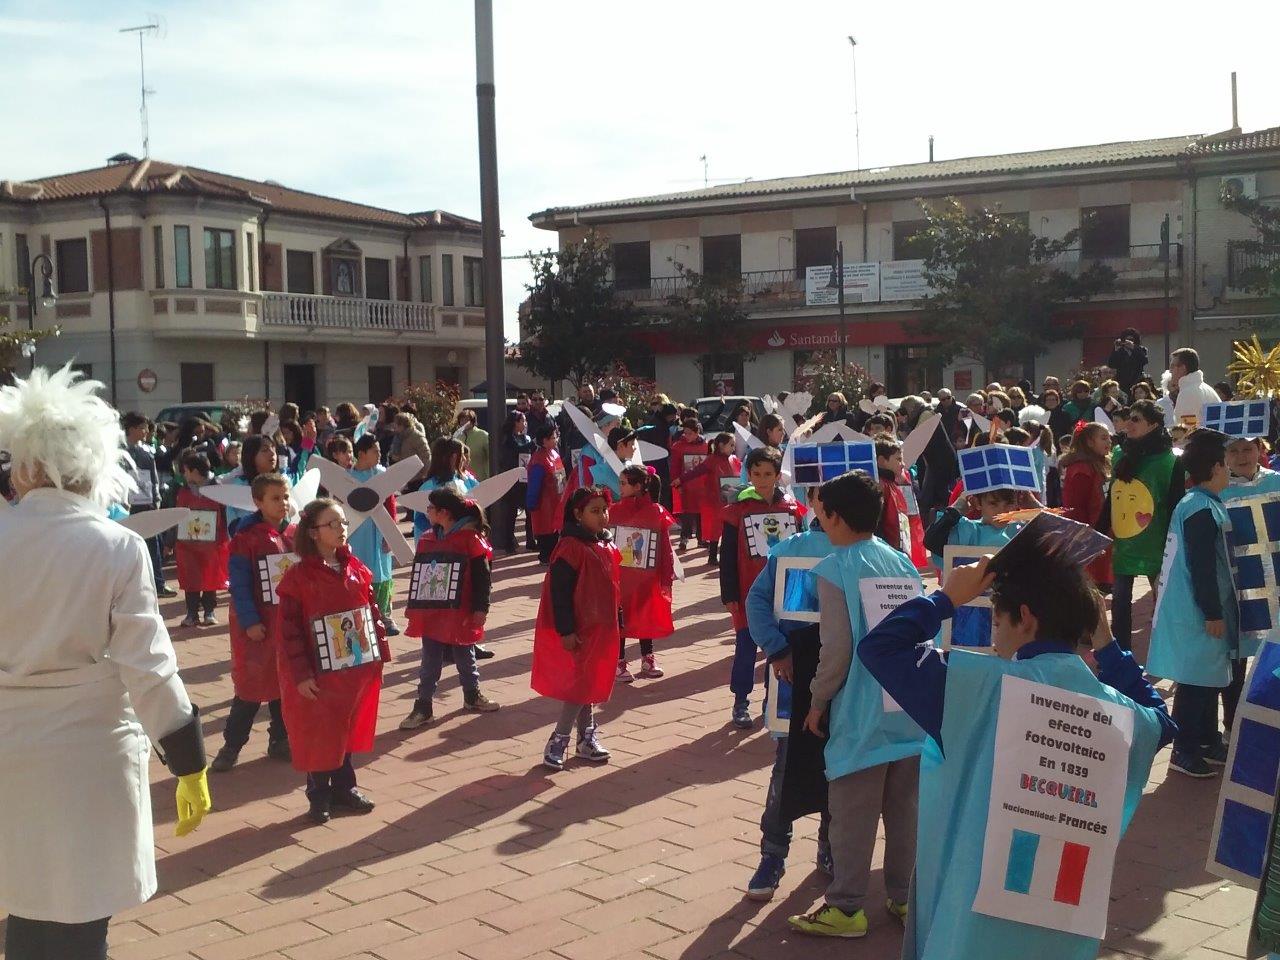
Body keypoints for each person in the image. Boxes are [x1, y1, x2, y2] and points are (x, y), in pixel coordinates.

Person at [857, 537, 1173, 960]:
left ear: (1024, 618)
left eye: (996, 621)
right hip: (1060, 917)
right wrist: (1107, 642)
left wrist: (947, 596)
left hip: (971, 922)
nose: (994, 635)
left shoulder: (980, 687)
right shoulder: (1116, 713)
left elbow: (880, 647)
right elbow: (1163, 723)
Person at [0, 366, 210, 960]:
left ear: (24, 464)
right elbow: (148, 666)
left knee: (24, 903)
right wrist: (189, 759)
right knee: (84, 917)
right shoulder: (116, 547)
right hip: (90, 756)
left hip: (9, 747)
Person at [788, 470, 924, 937]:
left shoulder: (835, 568)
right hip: (907, 706)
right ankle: (906, 899)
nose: (818, 518)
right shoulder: (901, 563)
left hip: (862, 710)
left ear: (836, 517)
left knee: (851, 810)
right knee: (906, 810)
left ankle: (846, 906)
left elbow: (837, 648)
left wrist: (818, 700)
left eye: (821, 511)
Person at [743, 486, 833, 901]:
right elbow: (757, 601)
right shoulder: (791, 549)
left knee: (840, 769)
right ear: (813, 499)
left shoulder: (874, 553)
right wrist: (777, 648)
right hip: (793, 676)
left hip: (843, 679)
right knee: (786, 767)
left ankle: (830, 847)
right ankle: (773, 853)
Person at [276, 498, 388, 824]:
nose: (341, 529)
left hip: (354, 669)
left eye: (343, 523)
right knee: (320, 733)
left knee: (347, 729)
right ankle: (319, 794)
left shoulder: (355, 569)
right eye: (332, 524)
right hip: (319, 673)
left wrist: (379, 651)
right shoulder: (298, 579)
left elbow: (371, 613)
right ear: (313, 533)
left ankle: (344, 788)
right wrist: (301, 674)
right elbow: (289, 634)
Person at [1148, 430, 1237, 778]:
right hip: (1197, 611)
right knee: (1196, 681)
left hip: (1195, 608)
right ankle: (1184, 749)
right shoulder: (1199, 508)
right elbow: (1201, 566)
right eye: (1226, 465)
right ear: (1215, 467)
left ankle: (1206, 739)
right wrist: (1212, 612)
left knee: (1207, 678)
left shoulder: (1199, 502)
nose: (1230, 471)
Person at [531, 485, 621, 770]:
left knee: (589, 682)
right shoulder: (570, 548)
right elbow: (559, 593)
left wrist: (618, 619)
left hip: (602, 628)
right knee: (580, 685)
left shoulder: (606, 545)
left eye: (604, 510)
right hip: (580, 629)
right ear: (577, 513)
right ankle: (559, 738)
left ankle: (586, 739)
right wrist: (566, 630)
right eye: (594, 511)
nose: (602, 516)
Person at [213, 472, 295, 772]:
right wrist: (250, 621)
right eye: (275, 498)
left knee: (284, 684)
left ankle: (280, 740)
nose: (283, 503)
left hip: (286, 625)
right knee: (250, 689)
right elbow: (240, 584)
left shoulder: (295, 535)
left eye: (286, 497)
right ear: (257, 502)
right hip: (257, 627)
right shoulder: (246, 539)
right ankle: (231, 746)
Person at [399, 488, 500, 729]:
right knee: (430, 658)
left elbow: (482, 578)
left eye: (431, 508)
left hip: (461, 610)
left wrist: (480, 608)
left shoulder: (471, 541)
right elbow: (420, 576)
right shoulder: (427, 539)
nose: (427, 512)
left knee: (465, 653)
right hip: (433, 611)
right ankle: (423, 705)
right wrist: (415, 605)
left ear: (444, 513)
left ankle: (472, 695)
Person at [721, 446, 805, 729]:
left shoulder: (792, 509)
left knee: (779, 647)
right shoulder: (737, 510)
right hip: (748, 592)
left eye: (768, 473)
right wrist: (729, 593)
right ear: (749, 473)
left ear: (777, 474)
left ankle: (773, 699)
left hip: (784, 590)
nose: (762, 479)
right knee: (745, 647)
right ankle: (740, 700)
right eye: (756, 473)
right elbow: (727, 555)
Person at [1100, 399, 1186, 650]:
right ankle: (1122, 654)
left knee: (1164, 602)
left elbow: (1175, 504)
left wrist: (1175, 543)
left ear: (1154, 425)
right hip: (1126, 541)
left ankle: (1167, 652)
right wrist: (1098, 529)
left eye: (1136, 419)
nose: (1129, 424)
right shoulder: (1120, 454)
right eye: (1129, 418)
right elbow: (1112, 497)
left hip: (1157, 541)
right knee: (1120, 601)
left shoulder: (1171, 461)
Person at [1222, 433, 1280, 735]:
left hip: (1277, 584)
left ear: (1260, 449)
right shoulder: (1219, 492)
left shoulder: (1277, 482)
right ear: (1225, 456)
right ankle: (1232, 724)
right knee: (1237, 657)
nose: (1242, 455)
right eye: (1234, 450)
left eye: (1248, 448)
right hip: (1240, 587)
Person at [610, 465, 676, 682]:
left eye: (623, 483)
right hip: (620, 578)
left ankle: (648, 657)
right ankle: (618, 660)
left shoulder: (656, 512)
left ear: (637, 486)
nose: (619, 487)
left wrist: (666, 577)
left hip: (647, 578)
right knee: (619, 617)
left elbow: (665, 548)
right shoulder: (614, 511)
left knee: (645, 613)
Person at [346, 435, 401, 636]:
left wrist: (390, 533)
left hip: (379, 531)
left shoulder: (382, 474)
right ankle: (363, 615)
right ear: (362, 454)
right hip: (356, 533)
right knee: (358, 571)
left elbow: (391, 504)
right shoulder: (347, 476)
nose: (380, 454)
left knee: (382, 573)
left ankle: (386, 617)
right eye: (375, 451)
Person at [122, 412, 177, 597]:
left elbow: (153, 478)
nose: (146, 431)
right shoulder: (119, 452)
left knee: (153, 545)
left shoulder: (147, 451)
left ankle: (158, 583)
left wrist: (156, 499)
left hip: (146, 504)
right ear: (131, 429)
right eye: (142, 427)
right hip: (126, 506)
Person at [175, 452, 230, 628]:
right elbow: (176, 516)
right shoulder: (183, 491)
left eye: (186, 471)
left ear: (196, 471)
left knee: (209, 577)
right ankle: (191, 613)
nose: (184, 475)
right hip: (187, 544)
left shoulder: (217, 490)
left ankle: (209, 611)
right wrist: (170, 541)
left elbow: (225, 516)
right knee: (190, 578)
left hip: (212, 543)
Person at [1058, 423, 1113, 589]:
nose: (1109, 442)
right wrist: (1086, 538)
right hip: (1091, 539)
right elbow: (1075, 509)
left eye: (1109, 438)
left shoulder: (1101, 463)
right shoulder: (1080, 470)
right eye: (1103, 438)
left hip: (1105, 537)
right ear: (1089, 442)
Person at [673, 431, 741, 566]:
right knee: (715, 530)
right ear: (721, 445)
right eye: (731, 445)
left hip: (730, 501)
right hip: (715, 501)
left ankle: (727, 555)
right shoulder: (711, 460)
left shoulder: (733, 459)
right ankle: (712, 556)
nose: (734, 448)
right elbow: (695, 471)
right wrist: (680, 480)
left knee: (729, 528)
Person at [923, 488, 1021, 568]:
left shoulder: (1020, 529)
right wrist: (956, 510)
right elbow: (931, 541)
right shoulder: (968, 531)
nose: (1002, 511)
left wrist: (1035, 507)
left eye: (1009, 504)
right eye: (993, 504)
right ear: (978, 503)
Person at [412, 437, 476, 541]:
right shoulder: (428, 487)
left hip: (461, 544)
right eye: (462, 455)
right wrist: (443, 535)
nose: (464, 459)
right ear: (454, 457)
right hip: (437, 549)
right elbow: (420, 520)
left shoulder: (464, 481)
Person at [527, 424, 567, 563]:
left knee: (554, 532)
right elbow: (534, 484)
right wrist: (531, 502)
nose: (556, 439)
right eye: (553, 437)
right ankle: (545, 557)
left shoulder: (554, 454)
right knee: (547, 534)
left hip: (556, 501)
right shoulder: (539, 459)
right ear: (544, 440)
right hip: (544, 504)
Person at [1156, 347, 1222, 428]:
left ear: (1182, 368)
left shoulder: (1188, 393)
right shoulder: (1207, 389)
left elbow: (1186, 432)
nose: (1170, 371)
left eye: (1172, 366)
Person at [498, 409, 535, 553]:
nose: (524, 423)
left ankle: (530, 539)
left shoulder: (525, 437)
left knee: (529, 510)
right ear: (515, 422)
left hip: (525, 478)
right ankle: (508, 542)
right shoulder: (508, 438)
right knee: (511, 512)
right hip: (513, 479)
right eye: (522, 420)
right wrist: (532, 444)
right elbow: (516, 450)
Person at [669, 417, 708, 550]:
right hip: (685, 485)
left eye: (689, 433)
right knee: (686, 513)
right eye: (685, 432)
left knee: (701, 513)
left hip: (702, 486)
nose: (686, 435)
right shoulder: (678, 447)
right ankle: (684, 537)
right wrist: (676, 484)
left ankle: (701, 538)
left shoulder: (706, 445)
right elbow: (674, 467)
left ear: (697, 432)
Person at [875, 436, 911, 554]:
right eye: (898, 459)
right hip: (885, 553)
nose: (903, 464)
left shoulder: (891, 484)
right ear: (881, 461)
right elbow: (876, 524)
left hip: (895, 551)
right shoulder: (880, 485)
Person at [389, 412, 431, 487]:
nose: (393, 426)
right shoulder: (397, 438)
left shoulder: (417, 437)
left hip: (416, 480)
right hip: (401, 479)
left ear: (401, 425)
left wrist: (420, 475)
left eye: (395, 423)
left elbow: (426, 457)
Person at [1107, 327, 1150, 392]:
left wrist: (1133, 347)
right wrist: (1115, 350)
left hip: (1137, 381)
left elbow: (1144, 361)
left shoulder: (1141, 349)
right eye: (1127, 339)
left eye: (1131, 339)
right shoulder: (1119, 350)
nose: (1129, 341)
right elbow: (1111, 364)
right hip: (1122, 382)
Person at [455, 409, 490, 481]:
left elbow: (491, 457)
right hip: (461, 479)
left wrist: (489, 475)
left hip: (480, 479)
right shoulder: (457, 436)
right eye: (461, 420)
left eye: (466, 420)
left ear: (473, 421)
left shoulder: (483, 435)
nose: (463, 423)